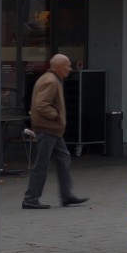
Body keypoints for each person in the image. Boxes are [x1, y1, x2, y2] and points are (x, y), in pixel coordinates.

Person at [22, 53, 87, 209]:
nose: (70, 69)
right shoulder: (51, 81)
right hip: (48, 129)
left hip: (53, 130)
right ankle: (30, 199)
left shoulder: (50, 79)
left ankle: (67, 196)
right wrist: (56, 116)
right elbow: (41, 105)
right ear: (58, 66)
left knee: (64, 159)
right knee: (41, 165)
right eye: (67, 66)